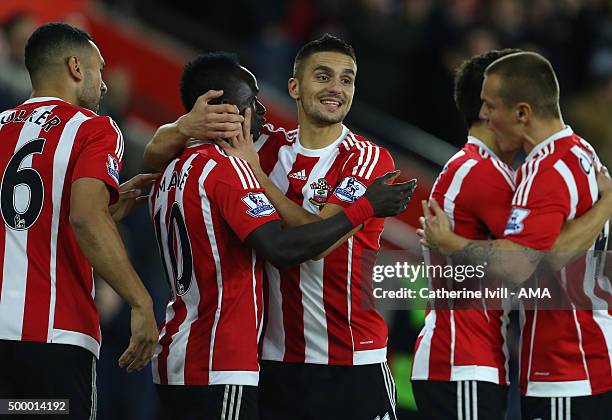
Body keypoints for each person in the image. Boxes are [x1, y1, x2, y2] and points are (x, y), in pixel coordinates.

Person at [144, 35, 405, 420]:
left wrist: (258, 177)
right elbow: (153, 153)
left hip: (350, 361)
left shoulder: (365, 158)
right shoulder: (264, 145)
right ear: (294, 87)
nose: (337, 88)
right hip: (272, 364)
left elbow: (319, 238)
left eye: (347, 80)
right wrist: (185, 124)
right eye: (323, 76)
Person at [412, 48, 612, 419]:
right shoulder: (575, 155)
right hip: (465, 358)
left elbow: (531, 258)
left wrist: (452, 244)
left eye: (491, 105)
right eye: (483, 105)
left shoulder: (533, 171)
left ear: (521, 111)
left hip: (552, 359)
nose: (484, 113)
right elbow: (530, 259)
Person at [0, 23, 159, 418]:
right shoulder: (93, 128)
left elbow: (33, 213)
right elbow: (85, 219)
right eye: (100, 70)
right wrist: (140, 301)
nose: (104, 85)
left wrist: (107, 207)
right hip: (52, 342)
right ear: (76, 67)